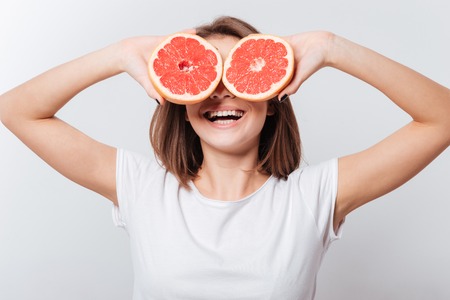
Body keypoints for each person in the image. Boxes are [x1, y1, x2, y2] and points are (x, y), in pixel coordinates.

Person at [0, 16, 449, 300]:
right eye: (204, 74)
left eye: (239, 73)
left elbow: (442, 118)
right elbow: (16, 109)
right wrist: (120, 54)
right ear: (180, 100)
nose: (220, 90)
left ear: (272, 98)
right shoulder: (141, 187)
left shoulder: (315, 196)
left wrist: (331, 47)